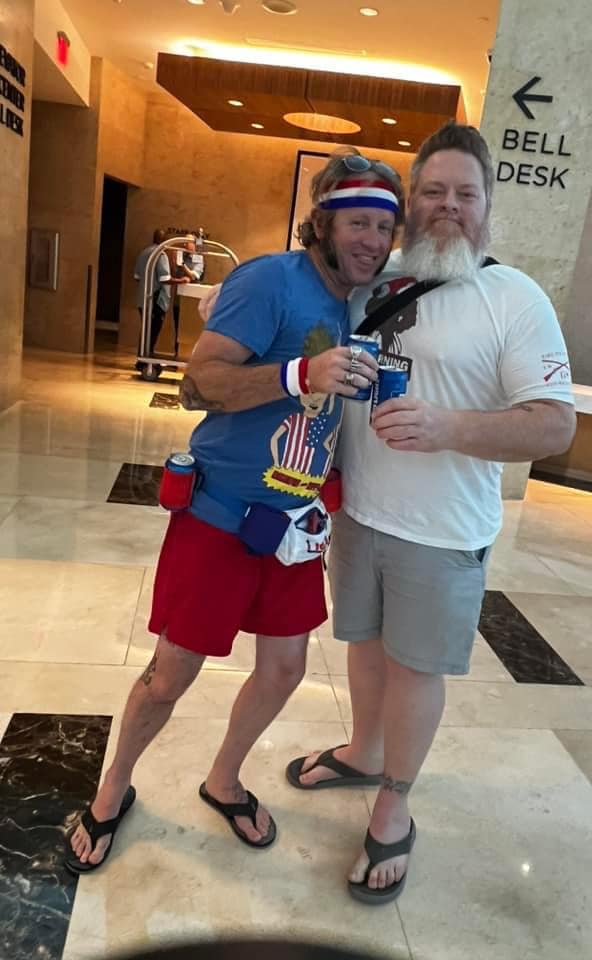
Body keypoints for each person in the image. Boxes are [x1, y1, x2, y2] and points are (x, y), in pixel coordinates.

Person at [65, 151, 404, 873]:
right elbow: (197, 383)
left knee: (283, 671)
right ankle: (113, 788)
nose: (372, 239)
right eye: (358, 223)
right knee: (170, 674)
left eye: (384, 226)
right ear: (323, 223)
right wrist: (299, 373)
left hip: (295, 527)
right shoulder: (269, 280)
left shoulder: (360, 304)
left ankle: (224, 780)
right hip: (219, 519)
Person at [286, 121, 577, 905]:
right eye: (434, 192)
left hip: (443, 531)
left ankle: (396, 803)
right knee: (363, 645)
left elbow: (554, 424)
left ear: (487, 207)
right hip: (360, 513)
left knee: (415, 667)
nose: (449, 206)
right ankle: (363, 750)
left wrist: (448, 427)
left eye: (466, 194)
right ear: (409, 203)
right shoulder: (374, 279)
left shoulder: (515, 298)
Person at [133, 228, 190, 361]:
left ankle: (142, 357)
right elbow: (164, 278)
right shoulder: (160, 254)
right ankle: (146, 359)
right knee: (153, 331)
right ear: (164, 240)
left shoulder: (144, 253)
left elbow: (137, 277)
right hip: (156, 300)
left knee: (146, 330)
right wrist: (182, 280)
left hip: (142, 299)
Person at [171, 234, 205, 356]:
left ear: (194, 244)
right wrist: (174, 262)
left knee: (190, 329)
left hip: (192, 301)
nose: (185, 244)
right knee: (178, 327)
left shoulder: (198, 257)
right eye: (184, 242)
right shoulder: (181, 255)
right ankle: (177, 354)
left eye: (188, 242)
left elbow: (194, 276)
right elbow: (174, 274)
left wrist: (182, 266)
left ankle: (190, 356)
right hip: (179, 299)